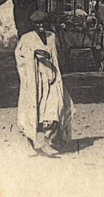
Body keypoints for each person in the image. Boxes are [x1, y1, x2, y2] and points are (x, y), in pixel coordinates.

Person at [14, 10, 73, 157]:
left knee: (52, 112)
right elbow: (20, 58)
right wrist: (34, 55)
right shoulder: (26, 38)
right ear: (33, 24)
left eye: (43, 23)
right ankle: (30, 144)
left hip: (51, 80)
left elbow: (56, 57)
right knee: (31, 112)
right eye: (37, 23)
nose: (40, 25)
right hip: (33, 81)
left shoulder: (51, 36)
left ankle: (47, 143)